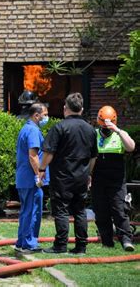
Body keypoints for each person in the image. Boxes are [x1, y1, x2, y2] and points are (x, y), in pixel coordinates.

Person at [39, 93, 97, 254]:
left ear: (65, 108)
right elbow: (93, 157)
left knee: (62, 211)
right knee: (80, 211)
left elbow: (49, 153)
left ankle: (61, 245)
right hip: (81, 177)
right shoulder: (90, 129)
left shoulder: (59, 128)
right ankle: (81, 246)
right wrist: (89, 174)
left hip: (62, 177)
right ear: (82, 109)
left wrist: (42, 169)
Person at [91, 106, 136, 251]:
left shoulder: (120, 134)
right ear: (99, 122)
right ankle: (107, 241)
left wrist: (117, 130)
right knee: (101, 210)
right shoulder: (94, 135)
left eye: (108, 126)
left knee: (119, 210)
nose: (105, 129)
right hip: (98, 180)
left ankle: (126, 240)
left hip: (116, 181)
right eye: (103, 125)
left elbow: (131, 147)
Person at [15, 103, 50, 254]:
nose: (47, 117)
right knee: (33, 211)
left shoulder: (26, 128)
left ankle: (22, 242)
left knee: (26, 211)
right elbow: (33, 155)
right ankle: (29, 244)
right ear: (37, 115)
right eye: (45, 114)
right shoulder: (33, 131)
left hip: (24, 179)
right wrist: (39, 175)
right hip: (31, 179)